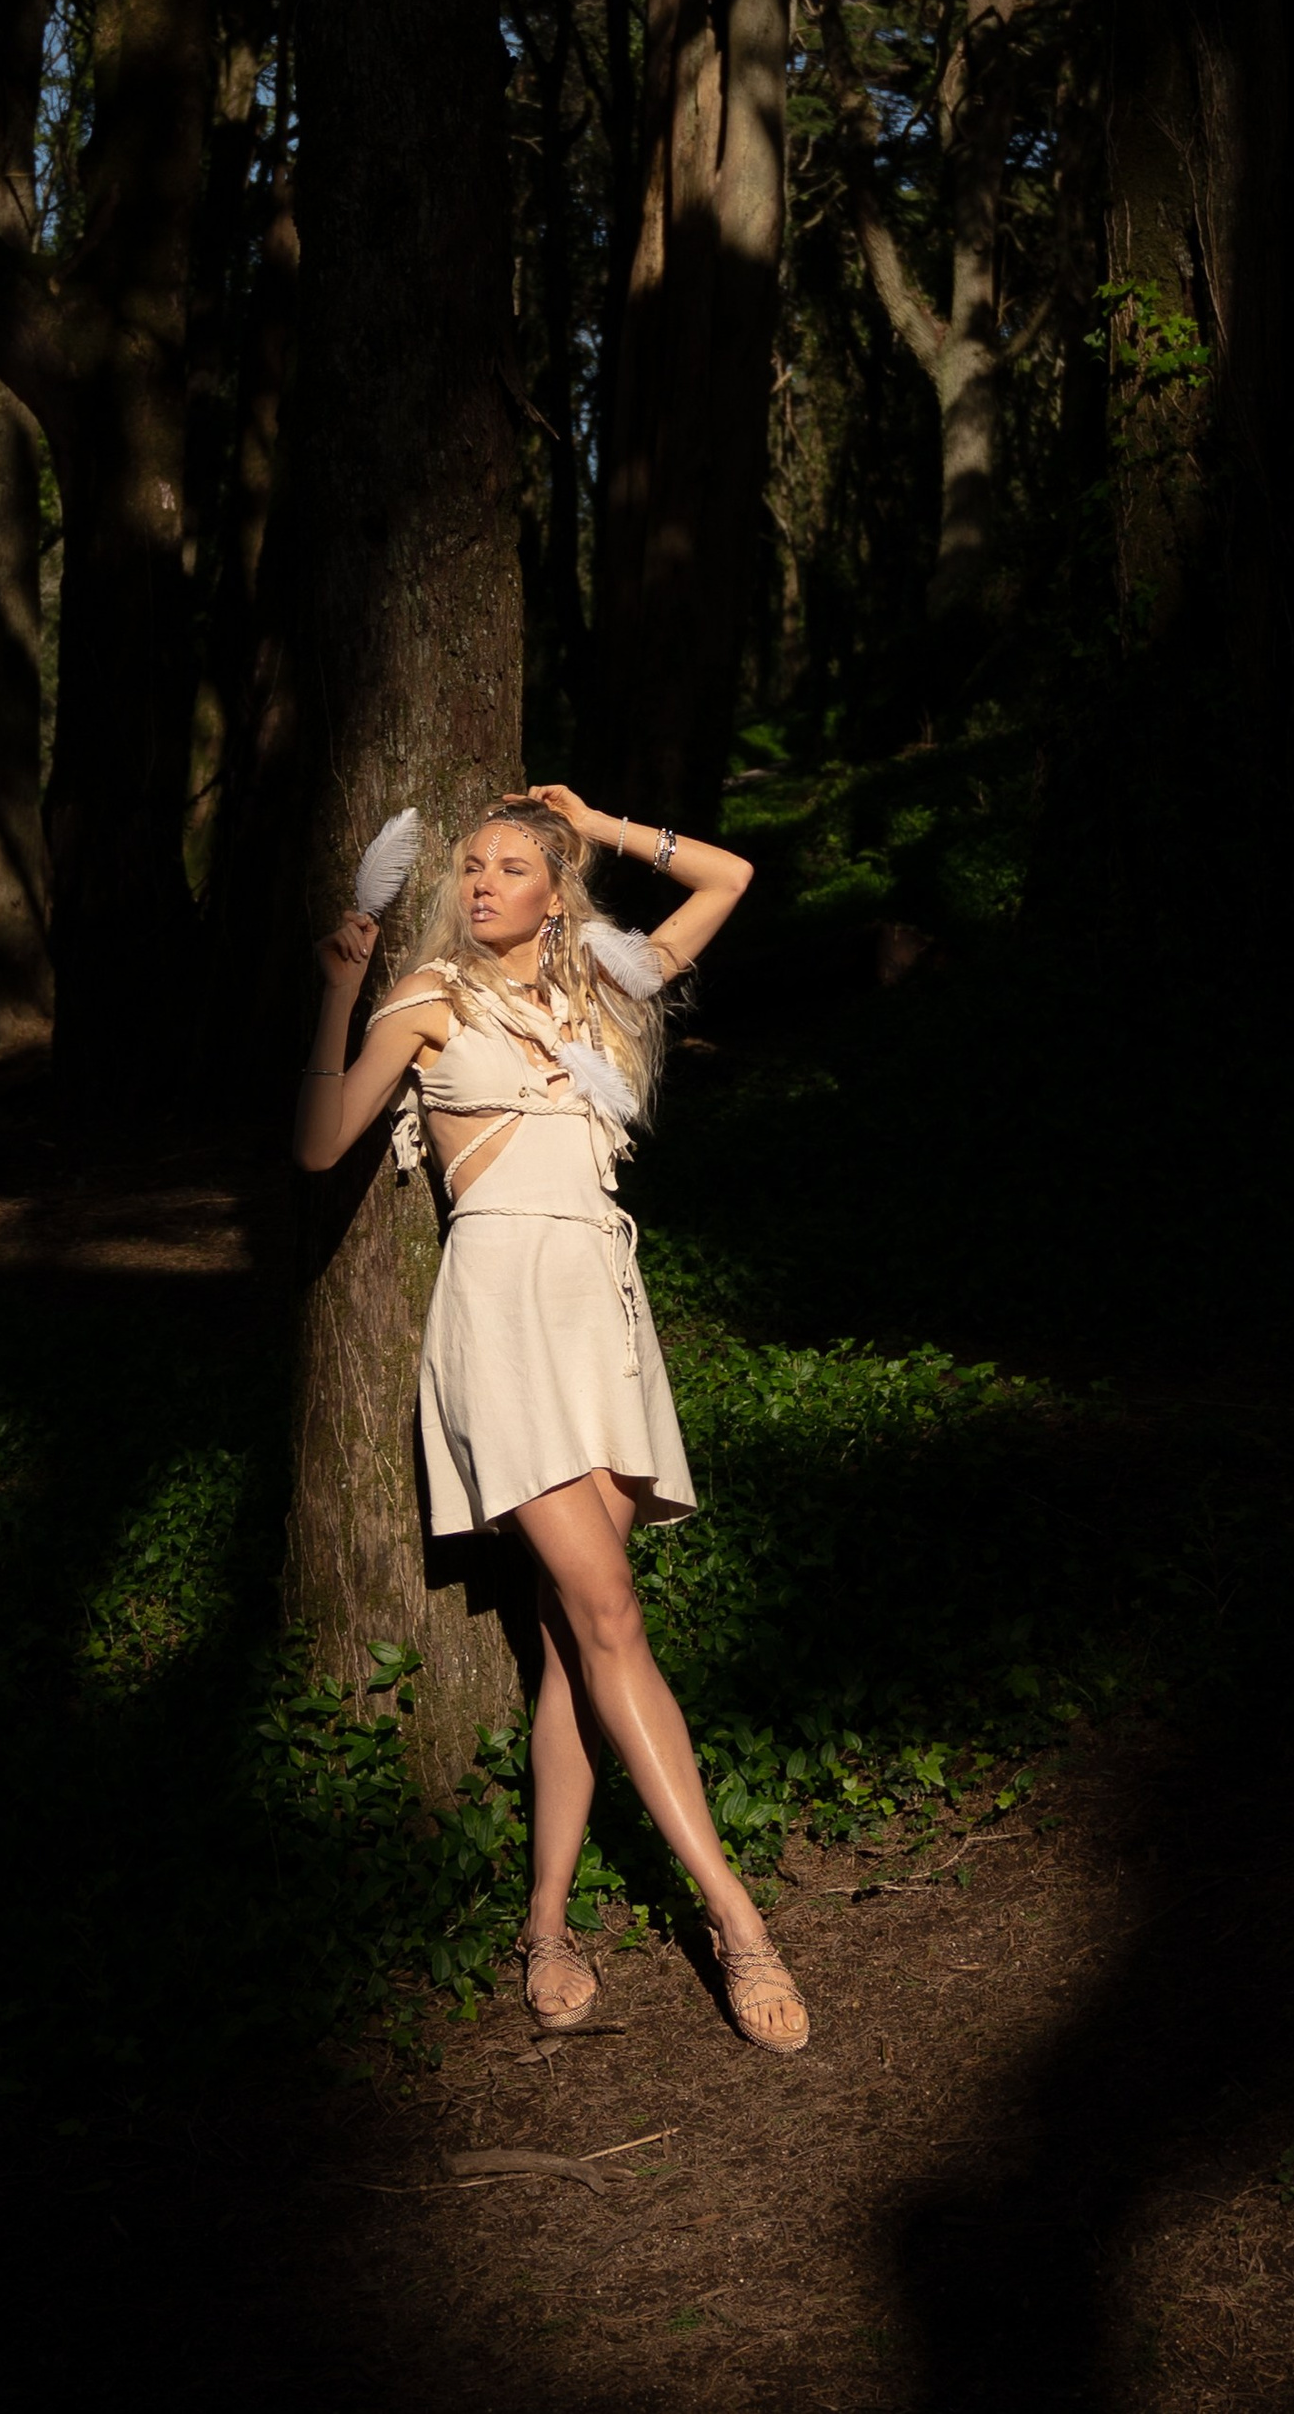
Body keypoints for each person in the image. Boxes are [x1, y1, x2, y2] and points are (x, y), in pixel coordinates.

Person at [293, 780, 809, 2054]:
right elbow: (318, 1146)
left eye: (512, 865)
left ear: (554, 886)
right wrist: (338, 989)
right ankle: (739, 1924)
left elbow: (730, 879)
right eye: (469, 865)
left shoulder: (598, 982)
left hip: (599, 1308)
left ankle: (545, 1922)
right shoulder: (426, 995)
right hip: (501, 1312)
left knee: (579, 1637)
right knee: (608, 1611)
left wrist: (607, 822)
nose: (480, 882)